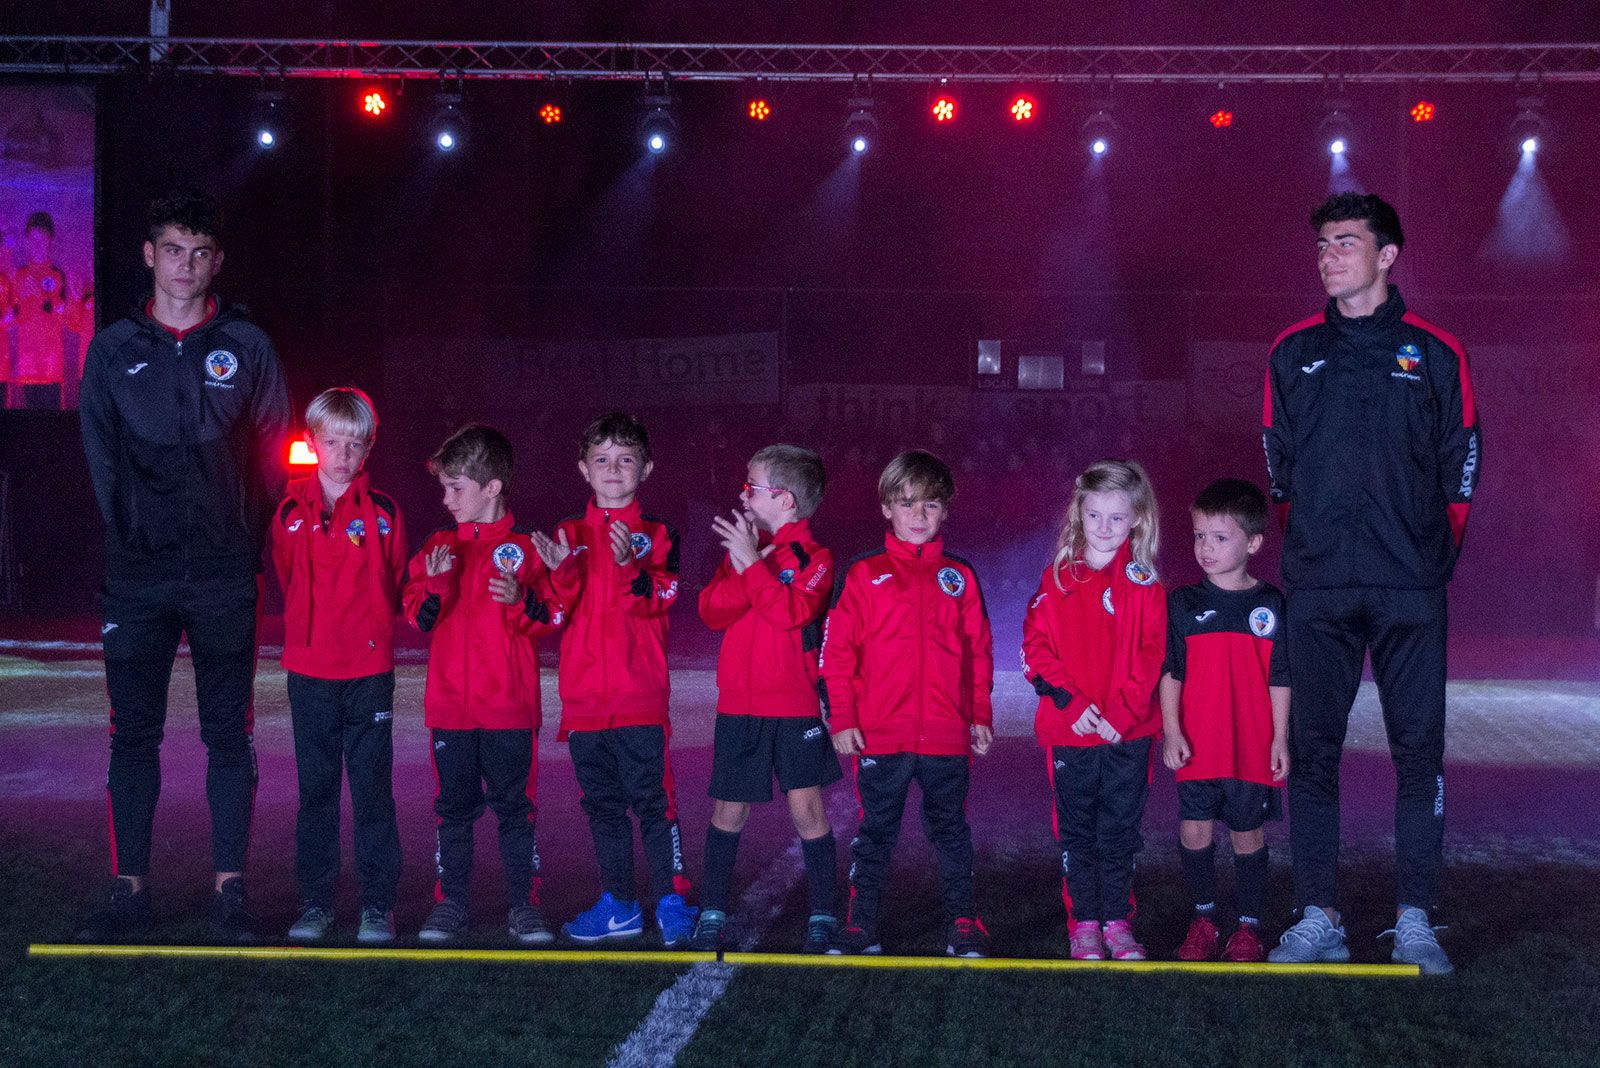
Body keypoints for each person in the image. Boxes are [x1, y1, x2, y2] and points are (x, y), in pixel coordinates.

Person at [1263, 192, 1480, 976]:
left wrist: (1428, 558)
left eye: (1346, 243)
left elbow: (1463, 465)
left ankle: (1415, 919)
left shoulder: (1436, 352)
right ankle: (1318, 915)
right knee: (1312, 750)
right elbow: (1277, 469)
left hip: (1409, 587)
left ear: (1388, 256)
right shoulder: (1291, 352)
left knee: (1417, 754)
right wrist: (1312, 552)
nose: (1329, 256)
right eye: (1323, 244)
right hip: (1319, 588)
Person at [76, 188, 290, 943]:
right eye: (173, 250)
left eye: (200, 254)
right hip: (136, 578)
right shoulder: (111, 351)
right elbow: (101, 461)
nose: (185, 266)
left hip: (226, 576)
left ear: (216, 262)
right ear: (149, 255)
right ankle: (128, 892)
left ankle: (229, 894)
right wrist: (132, 536)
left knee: (227, 735)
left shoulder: (249, 347)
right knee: (132, 736)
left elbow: (271, 457)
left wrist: (241, 537)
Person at [532, 413, 697, 947]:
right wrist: (558, 573)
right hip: (583, 702)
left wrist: (629, 565)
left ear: (645, 468)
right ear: (583, 469)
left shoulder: (659, 533)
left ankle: (672, 901)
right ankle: (619, 904)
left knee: (654, 804)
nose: (613, 469)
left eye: (625, 459)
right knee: (603, 808)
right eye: (601, 459)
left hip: (639, 697)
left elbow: (660, 600)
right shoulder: (566, 534)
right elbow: (554, 614)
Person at [822, 450, 994, 957]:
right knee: (874, 833)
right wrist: (845, 717)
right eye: (907, 504)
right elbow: (838, 653)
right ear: (886, 508)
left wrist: (979, 714)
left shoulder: (959, 575)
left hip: (945, 734)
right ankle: (861, 927)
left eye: (931, 506)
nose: (919, 517)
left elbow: (978, 651)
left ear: (946, 511)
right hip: (882, 733)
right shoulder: (862, 573)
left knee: (950, 833)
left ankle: (962, 923)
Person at [401, 424, 567, 945]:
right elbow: (418, 618)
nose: (446, 499)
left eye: (456, 488)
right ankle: (450, 904)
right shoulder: (437, 546)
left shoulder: (527, 548)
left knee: (515, 810)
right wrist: (437, 583)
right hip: (449, 709)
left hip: (510, 710)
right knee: (452, 810)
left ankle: (525, 904)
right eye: (444, 488)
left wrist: (521, 598)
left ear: (492, 487)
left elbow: (552, 620)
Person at [691, 444, 840, 954]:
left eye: (751, 488)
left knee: (808, 812)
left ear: (784, 499)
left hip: (794, 707)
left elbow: (788, 613)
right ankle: (712, 909)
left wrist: (752, 564)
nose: (742, 494)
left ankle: (823, 913)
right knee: (727, 813)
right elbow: (711, 611)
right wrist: (747, 564)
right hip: (739, 706)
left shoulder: (815, 558)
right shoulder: (748, 549)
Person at [271, 387, 407, 944]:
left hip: (368, 672)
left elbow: (393, 579)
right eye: (332, 442)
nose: (343, 454)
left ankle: (378, 905)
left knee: (372, 791)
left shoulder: (384, 511)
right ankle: (317, 902)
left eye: (355, 444)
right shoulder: (287, 509)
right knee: (317, 791)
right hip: (309, 671)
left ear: (368, 448)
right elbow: (286, 578)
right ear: (312, 443)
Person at [1021, 459, 1167, 961]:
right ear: (1078, 516)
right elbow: (1034, 649)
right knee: (1078, 832)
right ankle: (1084, 922)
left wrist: (1122, 714)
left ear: (1138, 520)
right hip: (1071, 731)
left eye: (1117, 518)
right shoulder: (1058, 578)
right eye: (1095, 516)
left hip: (1128, 733)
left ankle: (1117, 924)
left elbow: (1153, 654)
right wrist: (1071, 702)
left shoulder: (1145, 582)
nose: (1105, 528)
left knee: (1119, 831)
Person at [1160, 478, 1289, 963]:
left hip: (1250, 745)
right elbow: (1171, 671)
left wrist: (1279, 738)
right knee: (1194, 831)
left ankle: (1249, 927)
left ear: (1253, 543)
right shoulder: (1184, 604)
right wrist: (1172, 730)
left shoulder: (1270, 604)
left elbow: (1281, 676)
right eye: (1198, 536)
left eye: (1219, 537)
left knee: (1246, 834)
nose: (1205, 548)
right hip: (1198, 742)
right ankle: (1204, 919)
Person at [8, 211, 72, 408]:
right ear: (27, 241)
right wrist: (21, 298)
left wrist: (50, 300)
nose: (38, 244)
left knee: (52, 427)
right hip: (27, 366)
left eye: (42, 239)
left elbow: (70, 321)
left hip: (51, 366)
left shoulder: (58, 275)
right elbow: (10, 319)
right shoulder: (19, 276)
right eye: (33, 239)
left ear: (50, 241)